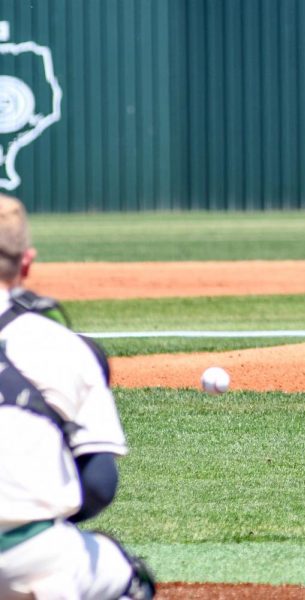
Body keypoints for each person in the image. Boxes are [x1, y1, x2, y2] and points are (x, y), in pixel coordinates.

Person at [0, 194, 155, 599]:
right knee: (130, 579)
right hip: (26, 558)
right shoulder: (61, 345)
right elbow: (99, 484)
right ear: (26, 262)